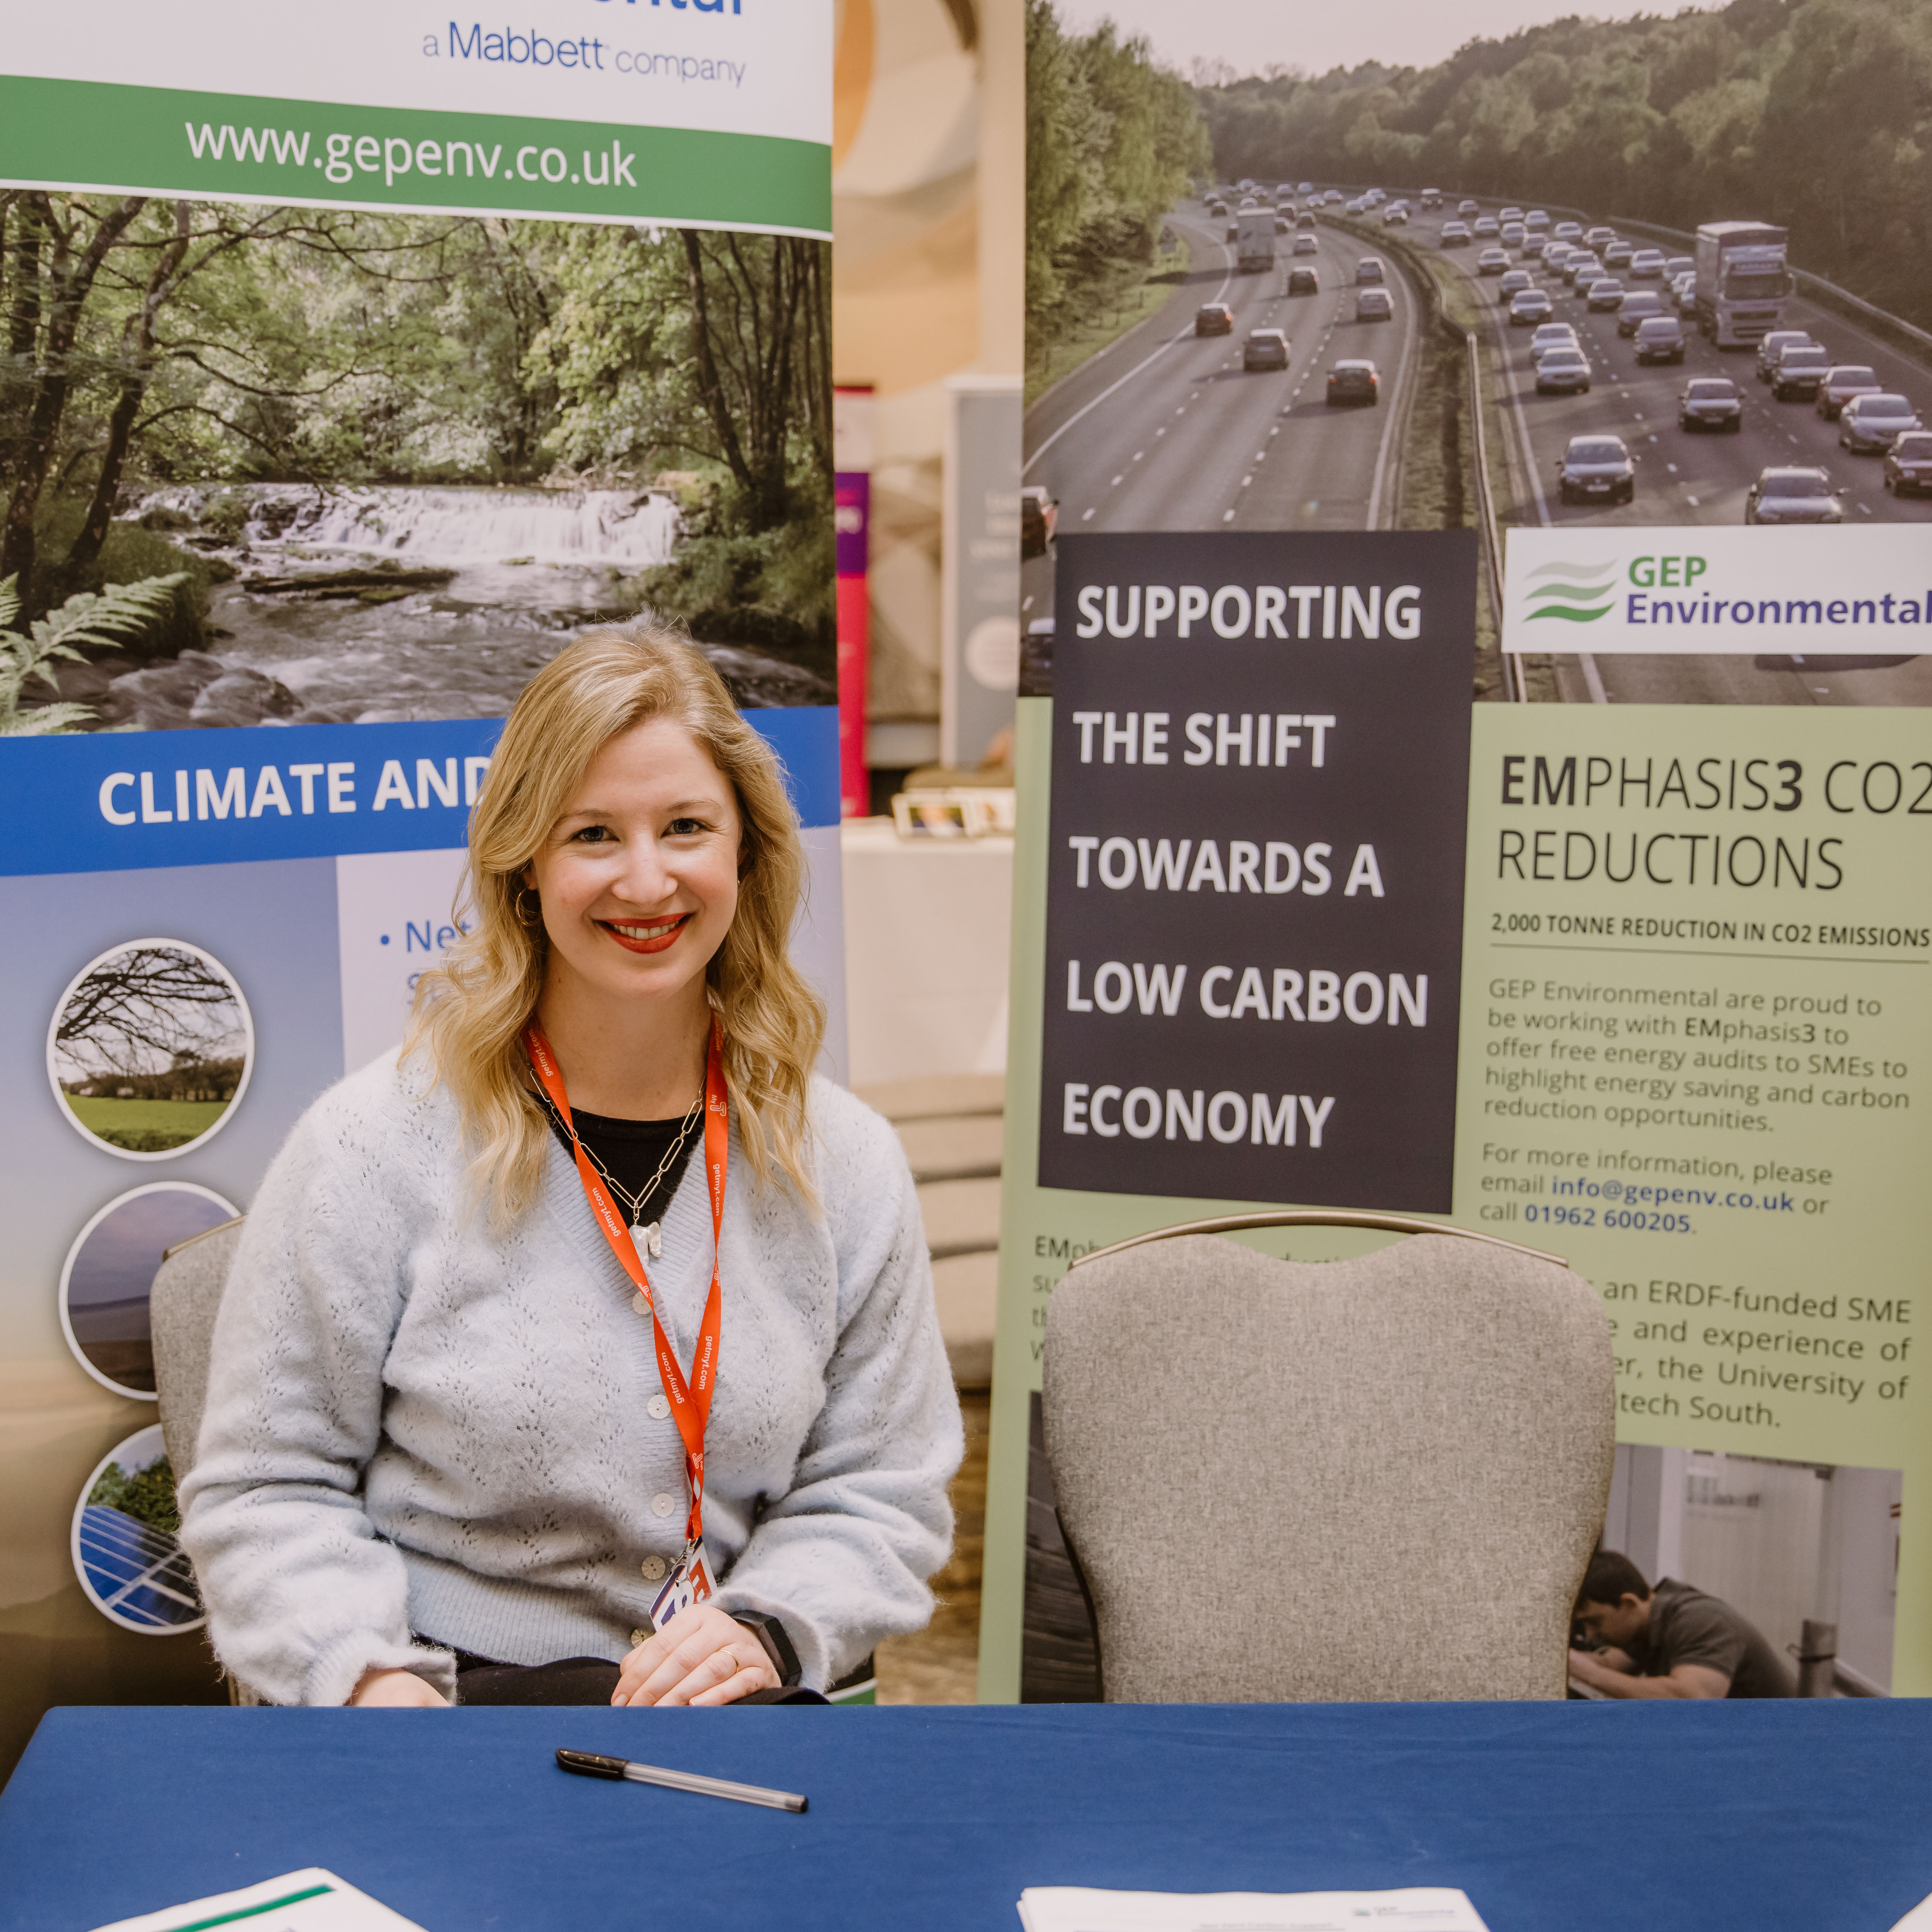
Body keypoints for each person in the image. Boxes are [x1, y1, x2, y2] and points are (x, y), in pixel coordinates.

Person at [179, 623, 963, 1708]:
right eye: (593, 833)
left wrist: (769, 1625)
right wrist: (367, 1678)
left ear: (745, 852)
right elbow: (268, 1487)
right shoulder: (370, 1145)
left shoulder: (844, 1159)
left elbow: (881, 1483)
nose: (646, 879)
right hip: (446, 1702)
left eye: (685, 826)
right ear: (525, 868)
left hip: (728, 1700)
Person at [1569, 1551, 1794, 1699]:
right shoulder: (1648, 1623)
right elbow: (1609, 1664)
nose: (1590, 1634)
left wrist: (1591, 1674)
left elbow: (1690, 1698)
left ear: (1629, 1603)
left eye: (1594, 1621)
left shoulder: (1702, 1620)